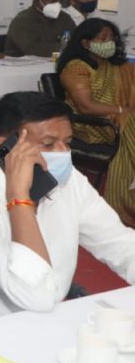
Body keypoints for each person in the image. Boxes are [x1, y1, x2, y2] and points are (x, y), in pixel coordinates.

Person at [0, 92, 135, 323]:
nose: (63, 153)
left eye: (68, 142)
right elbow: (36, 295)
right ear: (6, 148)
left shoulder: (67, 180)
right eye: (48, 144)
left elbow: (120, 245)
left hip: (39, 319)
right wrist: (19, 198)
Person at [57, 18, 135, 226]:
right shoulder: (76, 68)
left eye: (112, 38)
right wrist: (123, 111)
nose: (110, 42)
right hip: (91, 125)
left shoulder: (119, 68)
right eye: (103, 38)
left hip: (119, 120)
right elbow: (86, 107)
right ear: (85, 43)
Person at [5, 0, 76, 57]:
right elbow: (32, 49)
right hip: (22, 63)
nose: (57, 4)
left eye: (60, 1)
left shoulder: (64, 17)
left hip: (56, 60)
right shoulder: (22, 20)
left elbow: (76, 38)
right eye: (52, 0)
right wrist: (65, 48)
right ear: (36, 0)